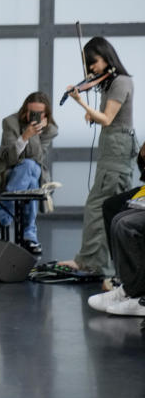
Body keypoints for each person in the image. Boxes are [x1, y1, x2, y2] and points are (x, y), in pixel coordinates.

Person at [60, 37, 136, 275]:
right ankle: (94, 262)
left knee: (99, 205)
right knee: (107, 207)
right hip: (113, 147)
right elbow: (105, 116)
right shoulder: (113, 82)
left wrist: (81, 102)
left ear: (106, 57)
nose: (91, 69)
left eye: (94, 62)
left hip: (116, 149)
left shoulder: (121, 82)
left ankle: (92, 263)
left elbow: (108, 119)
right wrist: (92, 114)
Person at [0, 92, 59, 255]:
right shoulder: (10, 122)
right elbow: (12, 159)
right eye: (31, 111)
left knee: (30, 169)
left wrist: (34, 136)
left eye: (39, 113)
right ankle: (30, 235)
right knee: (30, 174)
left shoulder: (50, 130)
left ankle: (0, 218)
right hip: (7, 172)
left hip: (31, 172)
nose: (34, 116)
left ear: (46, 114)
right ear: (25, 110)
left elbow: (37, 159)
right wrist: (25, 136)